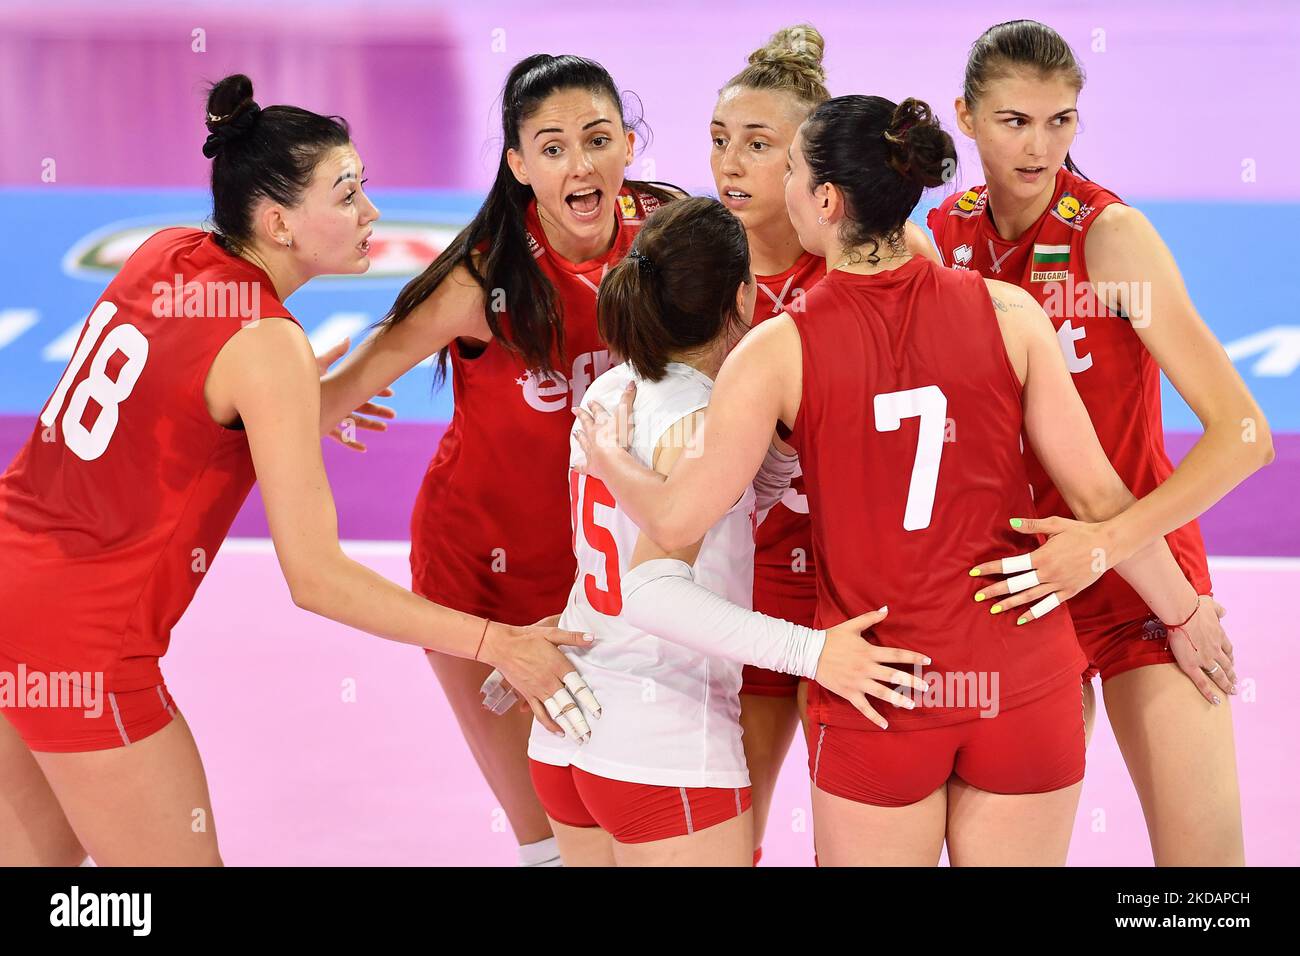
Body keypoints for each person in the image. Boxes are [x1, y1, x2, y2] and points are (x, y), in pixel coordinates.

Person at [574, 95, 1228, 865]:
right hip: (1022, 686)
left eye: (791, 169)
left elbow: (680, 517)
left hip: (881, 690)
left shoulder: (777, 349)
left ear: (825, 201)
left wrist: (606, 452)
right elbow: (1100, 499)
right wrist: (1183, 613)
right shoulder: (1010, 312)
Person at [0, 75, 595, 867]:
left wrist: (294, 409)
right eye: (346, 194)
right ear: (279, 223)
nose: (371, 214)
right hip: (85, 644)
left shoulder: (166, 252)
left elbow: (162, 413)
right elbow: (316, 579)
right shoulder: (266, 344)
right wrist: (500, 644)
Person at [316, 54, 682, 866]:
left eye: (597, 139)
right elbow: (351, 378)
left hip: (613, 584)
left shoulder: (667, 235)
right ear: (519, 166)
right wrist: (307, 399)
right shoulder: (485, 275)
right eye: (551, 148)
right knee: (549, 840)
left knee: (632, 827)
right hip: (479, 579)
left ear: (629, 144)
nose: (579, 165)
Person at [929, 19, 1271, 864]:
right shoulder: (946, 236)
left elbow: (1244, 435)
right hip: (1016, 587)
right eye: (1014, 120)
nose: (1040, 145)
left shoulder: (1110, 238)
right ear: (965, 117)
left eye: (1061, 120)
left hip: (1140, 582)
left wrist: (1112, 547)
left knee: (1206, 885)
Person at [522, 196, 927, 866]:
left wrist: (781, 451)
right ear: (742, 300)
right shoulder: (702, 414)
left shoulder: (607, 393)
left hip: (570, 736)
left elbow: (714, 509)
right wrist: (816, 654)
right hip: (662, 748)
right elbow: (657, 593)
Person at [708, 23, 940, 861]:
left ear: (813, 168)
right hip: (752, 581)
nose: (730, 163)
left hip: (871, 586)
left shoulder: (891, 251)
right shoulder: (700, 264)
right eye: (720, 140)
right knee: (731, 837)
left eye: (759, 145)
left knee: (870, 834)